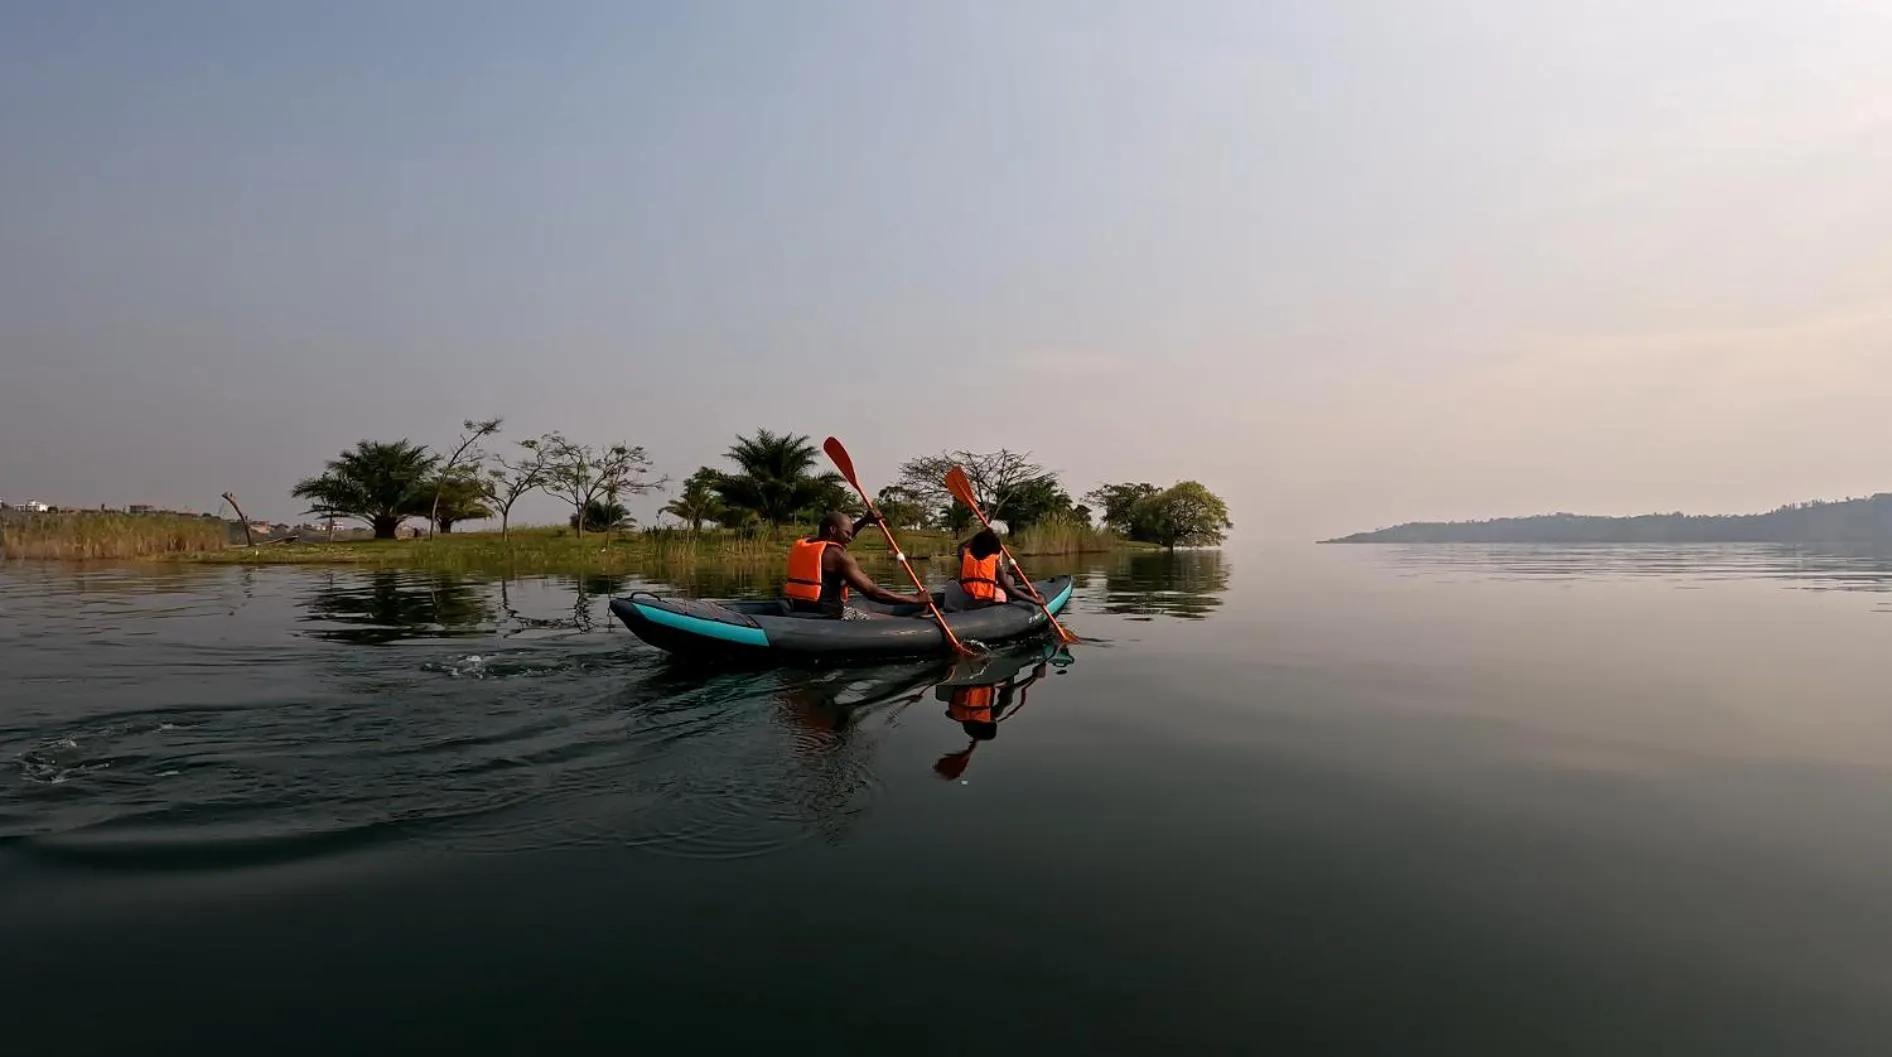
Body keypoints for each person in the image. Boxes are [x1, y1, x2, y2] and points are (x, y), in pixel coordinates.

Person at [785, 511, 933, 620]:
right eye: (847, 534)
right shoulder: (839, 556)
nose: (850, 538)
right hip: (830, 617)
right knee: (884, 620)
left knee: (870, 613)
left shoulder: (807, 542)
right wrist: (915, 599)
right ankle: (914, 620)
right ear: (833, 530)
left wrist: (865, 520)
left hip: (802, 610)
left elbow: (840, 536)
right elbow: (873, 592)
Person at [956, 528, 1024, 606]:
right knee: (1010, 579)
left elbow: (962, 545)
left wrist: (982, 535)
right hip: (985, 601)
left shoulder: (964, 554)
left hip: (968, 596)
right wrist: (1035, 601)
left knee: (952, 582)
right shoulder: (996, 564)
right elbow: (1012, 591)